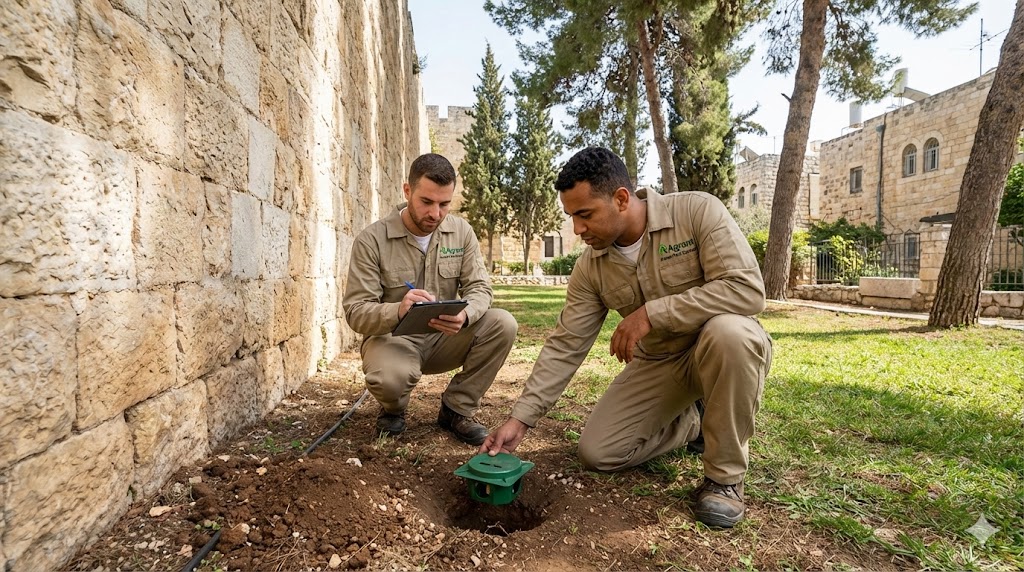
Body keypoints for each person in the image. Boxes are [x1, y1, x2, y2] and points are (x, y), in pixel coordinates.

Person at [480, 147, 772, 528]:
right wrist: (520, 420)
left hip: (718, 351)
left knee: (730, 332)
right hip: (661, 364)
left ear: (621, 199)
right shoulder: (590, 268)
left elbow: (746, 290)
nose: (578, 230)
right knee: (598, 452)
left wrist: (653, 312)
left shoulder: (697, 212)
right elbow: (567, 344)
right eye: (572, 217)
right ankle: (693, 423)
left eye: (585, 215)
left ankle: (724, 481)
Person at [343, 153, 518, 445]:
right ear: (407, 191)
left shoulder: (461, 232)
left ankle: (456, 410)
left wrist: (466, 316)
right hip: (393, 340)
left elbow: (480, 289)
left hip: (445, 338)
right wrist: (397, 310)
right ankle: (393, 410)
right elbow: (356, 311)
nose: (435, 214)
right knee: (390, 379)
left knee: (503, 324)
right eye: (427, 202)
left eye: (444, 204)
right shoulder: (371, 240)